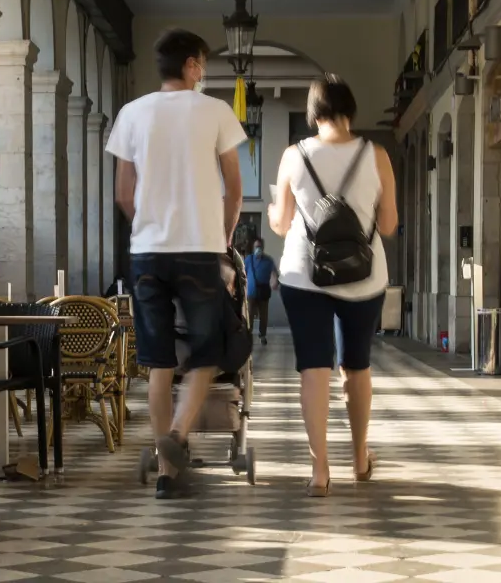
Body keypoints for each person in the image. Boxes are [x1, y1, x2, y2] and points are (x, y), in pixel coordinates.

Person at [107, 28, 246, 499]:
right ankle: (178, 433)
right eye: (201, 64)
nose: (202, 72)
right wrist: (222, 239)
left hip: (147, 253)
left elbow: (123, 193)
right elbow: (234, 188)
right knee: (207, 352)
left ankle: (167, 474)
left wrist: (150, 225)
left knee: (158, 362)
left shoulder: (131, 113)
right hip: (198, 248)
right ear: (190, 65)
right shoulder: (215, 111)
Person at [269, 74, 397, 497]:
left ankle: (320, 471)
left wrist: (274, 212)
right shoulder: (376, 155)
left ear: (313, 114)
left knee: (314, 369)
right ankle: (359, 458)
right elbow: (390, 224)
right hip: (364, 277)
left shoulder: (294, 156)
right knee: (356, 367)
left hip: (304, 276)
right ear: (349, 110)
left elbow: (281, 223)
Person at [244, 238, 278, 345]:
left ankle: (262, 335)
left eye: (259, 247)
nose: (258, 249)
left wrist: (274, 281)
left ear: (262, 248)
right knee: (249, 315)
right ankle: (248, 335)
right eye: (256, 247)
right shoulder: (249, 259)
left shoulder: (268, 261)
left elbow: (274, 273)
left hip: (264, 292)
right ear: (253, 248)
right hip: (251, 292)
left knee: (263, 316)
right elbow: (243, 273)